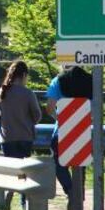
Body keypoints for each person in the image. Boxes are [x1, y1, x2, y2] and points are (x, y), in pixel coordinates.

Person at [0, 61, 42, 209]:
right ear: (24, 75)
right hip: (25, 137)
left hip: (7, 138)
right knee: (24, 170)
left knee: (12, 169)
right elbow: (37, 116)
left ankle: (9, 194)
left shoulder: (2, 91)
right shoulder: (28, 93)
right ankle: (24, 203)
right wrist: (27, 120)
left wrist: (3, 119)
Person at [44, 68, 78, 200]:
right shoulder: (88, 80)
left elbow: (49, 107)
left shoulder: (57, 81)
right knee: (79, 165)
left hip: (62, 129)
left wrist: (59, 117)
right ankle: (79, 196)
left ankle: (71, 192)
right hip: (83, 129)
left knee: (58, 164)